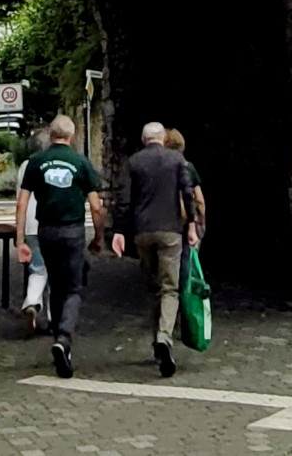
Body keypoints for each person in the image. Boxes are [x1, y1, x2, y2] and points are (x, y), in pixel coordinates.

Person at [15, 114, 105, 378]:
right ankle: (64, 338)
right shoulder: (81, 162)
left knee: (54, 286)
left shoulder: (36, 162)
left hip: (46, 231)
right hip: (72, 231)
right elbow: (96, 206)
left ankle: (57, 339)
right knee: (73, 289)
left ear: (51, 135)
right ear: (72, 136)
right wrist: (99, 237)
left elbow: (22, 203)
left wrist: (20, 240)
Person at [109, 121, 196, 379]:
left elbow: (124, 200)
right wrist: (191, 225)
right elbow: (188, 193)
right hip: (170, 231)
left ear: (143, 139)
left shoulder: (134, 162)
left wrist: (119, 231)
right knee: (170, 288)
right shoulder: (176, 160)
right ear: (163, 139)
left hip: (143, 232)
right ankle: (163, 336)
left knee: (154, 287)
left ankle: (158, 343)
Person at [19, 127, 50, 333]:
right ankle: (53, 319)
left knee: (37, 269)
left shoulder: (25, 166)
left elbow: (20, 200)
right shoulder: (52, 164)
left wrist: (19, 235)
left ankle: (32, 302)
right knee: (55, 272)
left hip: (30, 225)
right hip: (49, 223)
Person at [164, 128, 207, 244]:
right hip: (187, 222)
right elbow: (200, 200)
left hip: (164, 223)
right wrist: (202, 222)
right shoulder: (188, 167)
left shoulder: (158, 169)